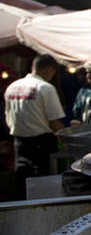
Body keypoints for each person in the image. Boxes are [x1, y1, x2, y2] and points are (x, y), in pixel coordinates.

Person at [4, 54, 65, 199]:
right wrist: (66, 139)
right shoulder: (45, 88)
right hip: (41, 143)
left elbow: (7, 115)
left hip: (19, 142)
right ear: (49, 70)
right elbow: (54, 122)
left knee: (22, 184)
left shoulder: (12, 87)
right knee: (43, 187)